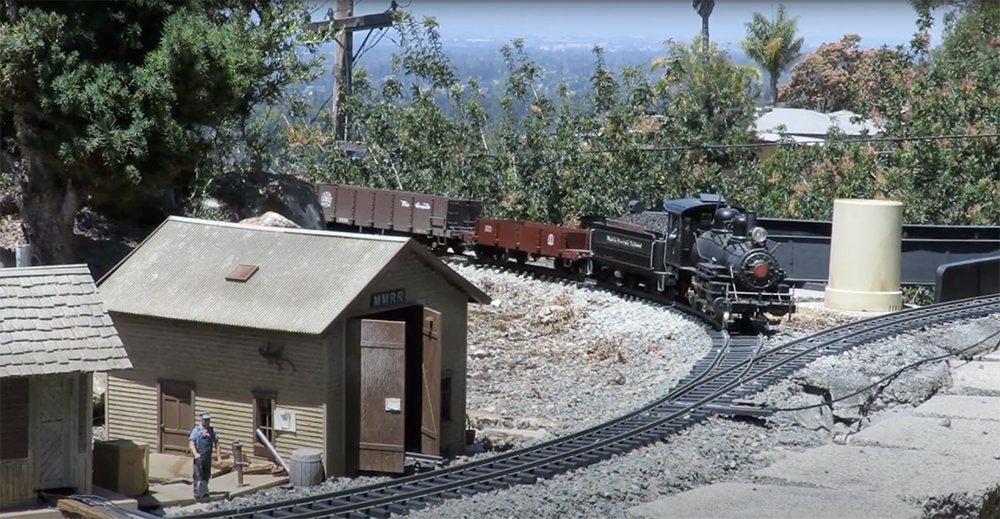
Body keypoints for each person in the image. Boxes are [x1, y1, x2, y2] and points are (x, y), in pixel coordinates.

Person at [188, 411, 221, 499]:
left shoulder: (212, 431)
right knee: (198, 474)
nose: (207, 422)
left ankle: (204, 491)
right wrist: (195, 454)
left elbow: (217, 444)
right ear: (202, 420)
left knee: (206, 474)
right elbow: (191, 444)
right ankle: (197, 492)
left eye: (208, 420)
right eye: (205, 420)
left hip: (207, 456)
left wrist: (219, 458)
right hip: (199, 456)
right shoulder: (196, 431)